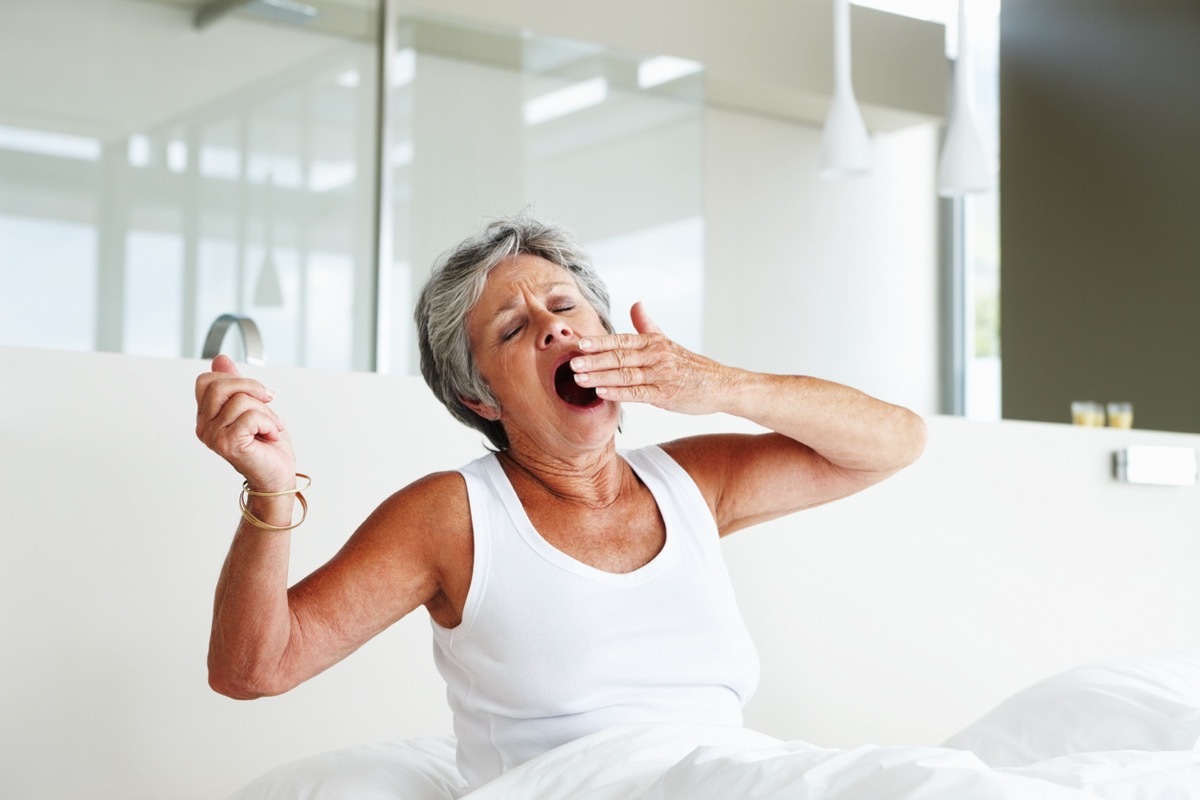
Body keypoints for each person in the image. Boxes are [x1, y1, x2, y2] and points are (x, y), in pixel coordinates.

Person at [194, 216, 927, 793]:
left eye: (566, 305)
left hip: (728, 776)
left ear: (607, 337)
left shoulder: (691, 483)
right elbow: (254, 668)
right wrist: (271, 487)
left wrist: (720, 386)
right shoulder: (453, 516)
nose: (554, 326)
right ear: (478, 396)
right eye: (513, 329)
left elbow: (895, 441)